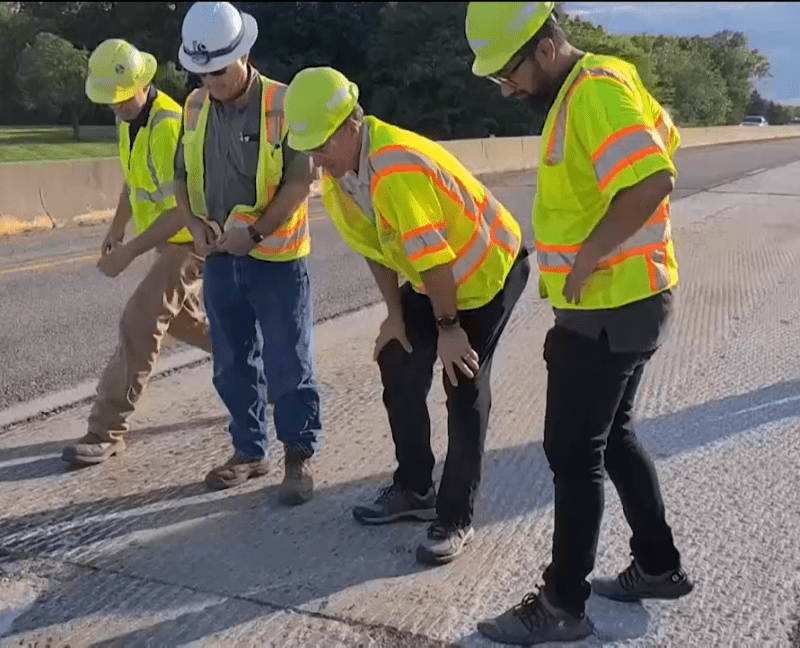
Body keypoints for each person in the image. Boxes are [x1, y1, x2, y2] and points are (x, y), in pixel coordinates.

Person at [465, 2, 694, 643]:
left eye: (507, 72)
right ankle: (658, 567)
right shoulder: (602, 81)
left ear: (544, 48)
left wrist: (586, 263)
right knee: (613, 437)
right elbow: (664, 136)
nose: (505, 86)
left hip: (608, 309)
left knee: (573, 454)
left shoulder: (591, 91)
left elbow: (653, 178)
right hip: (634, 300)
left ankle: (563, 605)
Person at [283, 67, 530, 565]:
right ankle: (415, 488)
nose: (316, 159)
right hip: (431, 275)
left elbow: (437, 257)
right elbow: (377, 250)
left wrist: (450, 330)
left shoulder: (396, 166)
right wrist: (395, 316)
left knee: (463, 383)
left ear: (352, 125)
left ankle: (454, 515)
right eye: (308, 148)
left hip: (486, 270)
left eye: (323, 145)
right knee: (397, 360)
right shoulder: (339, 179)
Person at [174, 2, 322, 505]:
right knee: (232, 362)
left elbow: (300, 181)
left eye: (218, 69)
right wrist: (194, 226)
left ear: (244, 54)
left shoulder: (284, 103)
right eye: (202, 72)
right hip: (218, 260)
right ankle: (249, 451)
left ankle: (298, 455)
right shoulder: (194, 107)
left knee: (288, 361)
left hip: (276, 259)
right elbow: (181, 175)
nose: (210, 80)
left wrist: (254, 234)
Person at [62, 39, 212, 469]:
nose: (117, 107)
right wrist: (115, 226)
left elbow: (184, 214)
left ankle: (105, 430)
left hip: (190, 240)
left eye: (123, 98)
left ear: (143, 83)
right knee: (188, 325)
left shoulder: (168, 125)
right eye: (110, 101)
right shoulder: (128, 120)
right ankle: (261, 377)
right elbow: (133, 180)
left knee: (140, 320)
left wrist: (127, 253)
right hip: (162, 241)